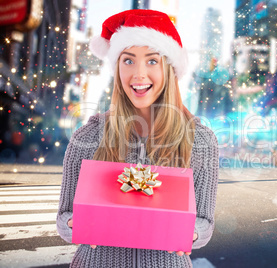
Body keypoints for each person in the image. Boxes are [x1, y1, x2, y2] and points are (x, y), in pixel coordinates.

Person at [57, 9, 219, 268]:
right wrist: (76, 225)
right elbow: (64, 216)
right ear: (117, 67)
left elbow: (205, 223)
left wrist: (192, 234)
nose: (139, 74)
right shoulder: (87, 136)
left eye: (152, 61)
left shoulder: (200, 140)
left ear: (169, 68)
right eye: (128, 60)